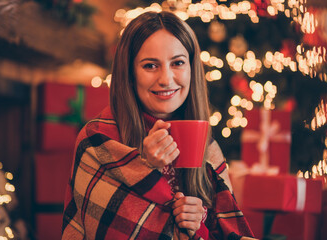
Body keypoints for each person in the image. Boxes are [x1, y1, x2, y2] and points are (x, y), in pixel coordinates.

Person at [62, 11, 255, 240]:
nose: (166, 79)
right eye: (150, 66)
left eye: (178, 63)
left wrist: (197, 227)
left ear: (192, 69)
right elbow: (105, 232)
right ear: (129, 74)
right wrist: (145, 167)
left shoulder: (207, 146)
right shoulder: (97, 140)